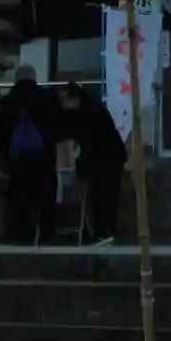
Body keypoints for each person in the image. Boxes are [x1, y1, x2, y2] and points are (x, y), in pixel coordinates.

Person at [0, 64, 59, 246]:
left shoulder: (8, 101)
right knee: (45, 196)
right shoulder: (46, 97)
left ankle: (20, 234)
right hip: (43, 157)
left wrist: (5, 152)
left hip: (18, 158)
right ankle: (46, 233)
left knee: (19, 197)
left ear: (16, 79)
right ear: (34, 77)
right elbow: (57, 126)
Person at [59, 80, 127, 246]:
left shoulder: (90, 112)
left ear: (75, 99)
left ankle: (104, 232)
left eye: (65, 100)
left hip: (106, 157)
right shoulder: (87, 109)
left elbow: (91, 141)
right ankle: (105, 232)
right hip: (106, 156)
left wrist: (77, 162)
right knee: (105, 195)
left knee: (104, 196)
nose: (62, 104)